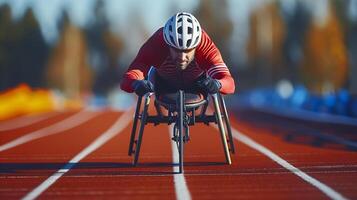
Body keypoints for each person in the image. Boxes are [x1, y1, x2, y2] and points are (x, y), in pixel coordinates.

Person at [120, 12, 235, 98]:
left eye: (187, 51)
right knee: (144, 94)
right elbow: (128, 78)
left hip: (198, 85)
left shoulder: (205, 46)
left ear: (196, 46)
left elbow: (229, 83)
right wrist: (137, 84)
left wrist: (217, 84)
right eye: (176, 50)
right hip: (162, 85)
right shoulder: (156, 44)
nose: (182, 57)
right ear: (167, 44)